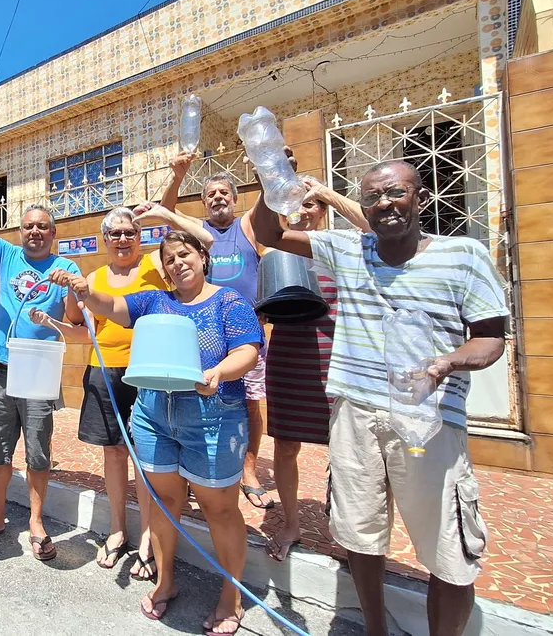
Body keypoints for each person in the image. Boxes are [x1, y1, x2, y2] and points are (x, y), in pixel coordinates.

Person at [250, 160, 508, 636]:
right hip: (355, 412)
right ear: (363, 206)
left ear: (420, 197)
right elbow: (269, 232)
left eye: (396, 193)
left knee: (450, 550)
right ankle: (375, 629)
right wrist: (273, 177)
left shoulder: (464, 255)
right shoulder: (349, 249)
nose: (385, 203)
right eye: (373, 197)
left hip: (429, 419)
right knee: (360, 534)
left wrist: (446, 362)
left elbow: (491, 338)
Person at [48, 230, 262, 633]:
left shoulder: (229, 301)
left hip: (213, 415)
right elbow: (110, 305)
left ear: (202, 256)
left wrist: (219, 371)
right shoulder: (153, 300)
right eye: (170, 259)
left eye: (185, 254)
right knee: (165, 501)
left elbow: (248, 350)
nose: (178, 263)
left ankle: (231, 598)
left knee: (220, 509)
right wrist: (84, 290)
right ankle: (166, 581)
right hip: (154, 414)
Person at [29, 203, 211, 577]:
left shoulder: (156, 267)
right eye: (115, 234)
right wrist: (55, 314)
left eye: (130, 232)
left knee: (149, 456)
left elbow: (203, 240)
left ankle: (147, 535)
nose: (123, 239)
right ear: (105, 239)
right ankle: (117, 529)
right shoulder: (93, 278)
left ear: (140, 236)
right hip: (104, 371)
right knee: (114, 453)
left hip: (149, 370)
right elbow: (84, 330)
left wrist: (163, 212)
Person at [253, 180, 370, 562]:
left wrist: (327, 191)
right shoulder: (275, 251)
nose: (303, 212)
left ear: (324, 210)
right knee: (285, 445)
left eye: (312, 205)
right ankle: (290, 523)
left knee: (345, 448)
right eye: (296, 205)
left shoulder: (345, 246)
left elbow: (373, 227)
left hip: (337, 360)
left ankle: (343, 526)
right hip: (289, 358)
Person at [0, 197, 80, 562]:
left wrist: (73, 286)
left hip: (40, 368)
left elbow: (75, 321)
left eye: (42, 226)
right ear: (20, 231)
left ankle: (37, 522)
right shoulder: (7, 255)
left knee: (39, 450)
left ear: (53, 234)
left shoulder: (66, 266)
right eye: (29, 226)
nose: (35, 232)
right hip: (3, 366)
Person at [161, 152, 273, 509]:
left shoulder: (248, 227)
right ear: (204, 202)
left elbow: (271, 204)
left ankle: (249, 469)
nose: (218, 198)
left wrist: (267, 169)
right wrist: (178, 176)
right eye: (211, 194)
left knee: (252, 406)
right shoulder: (199, 234)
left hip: (245, 337)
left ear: (235, 198)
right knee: (196, 397)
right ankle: (198, 467)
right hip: (202, 335)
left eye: (224, 192)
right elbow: (166, 213)